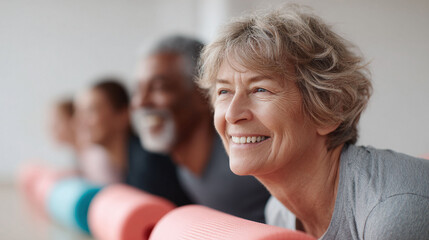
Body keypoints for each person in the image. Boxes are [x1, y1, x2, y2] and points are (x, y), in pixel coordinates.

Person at [197, 4, 429, 239]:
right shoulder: (278, 213)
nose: (232, 114)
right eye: (224, 91)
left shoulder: (391, 212)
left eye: (260, 89)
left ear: (329, 108)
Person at [132, 35, 270, 223]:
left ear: (203, 94)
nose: (140, 102)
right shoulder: (184, 170)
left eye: (159, 87)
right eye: (137, 90)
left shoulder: (245, 163)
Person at [76, 78, 191, 205]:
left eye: (91, 111)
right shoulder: (126, 165)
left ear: (123, 115)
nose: (81, 121)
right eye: (80, 113)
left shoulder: (148, 163)